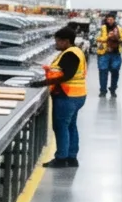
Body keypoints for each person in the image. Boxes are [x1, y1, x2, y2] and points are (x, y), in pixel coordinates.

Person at [37, 22, 88, 167]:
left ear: (66, 41)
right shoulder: (75, 52)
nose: (56, 43)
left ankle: (61, 158)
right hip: (77, 95)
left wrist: (43, 83)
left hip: (67, 95)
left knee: (61, 126)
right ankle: (72, 157)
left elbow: (66, 75)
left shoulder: (70, 54)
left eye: (58, 41)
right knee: (71, 125)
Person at [95, 13, 122, 98]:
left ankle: (113, 89)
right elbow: (96, 38)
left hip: (116, 53)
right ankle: (103, 91)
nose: (110, 21)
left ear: (114, 20)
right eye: (108, 19)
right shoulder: (101, 28)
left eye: (112, 19)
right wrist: (107, 37)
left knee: (115, 71)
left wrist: (117, 38)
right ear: (106, 20)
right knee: (103, 72)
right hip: (104, 53)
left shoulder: (119, 28)